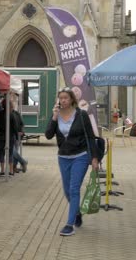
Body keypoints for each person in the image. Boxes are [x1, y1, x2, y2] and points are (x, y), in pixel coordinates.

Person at [44, 87, 99, 236]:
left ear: (72, 99)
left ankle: (69, 225)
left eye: (66, 98)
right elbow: (48, 135)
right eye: (60, 98)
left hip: (80, 156)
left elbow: (90, 137)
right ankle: (77, 213)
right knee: (67, 191)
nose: (63, 100)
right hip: (63, 157)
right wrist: (54, 117)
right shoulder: (56, 115)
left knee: (74, 189)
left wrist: (94, 158)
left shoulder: (81, 115)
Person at [0, 98, 19, 176]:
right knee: (10, 153)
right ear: (10, 105)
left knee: (2, 153)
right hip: (10, 137)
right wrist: (17, 137)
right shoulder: (12, 115)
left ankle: (2, 171)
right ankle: (10, 171)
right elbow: (15, 127)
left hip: (0, 136)